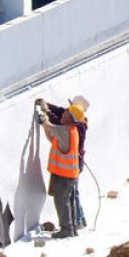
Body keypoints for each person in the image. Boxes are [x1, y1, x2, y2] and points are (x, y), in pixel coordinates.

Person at [36, 100, 85, 239]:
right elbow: (52, 136)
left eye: (66, 113)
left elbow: (51, 127)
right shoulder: (71, 130)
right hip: (68, 173)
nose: (63, 114)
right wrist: (47, 115)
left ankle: (66, 229)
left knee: (61, 201)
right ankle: (72, 228)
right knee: (68, 200)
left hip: (64, 174)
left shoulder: (66, 131)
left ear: (70, 118)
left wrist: (45, 116)